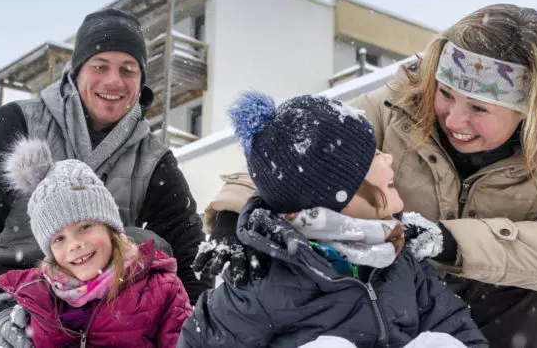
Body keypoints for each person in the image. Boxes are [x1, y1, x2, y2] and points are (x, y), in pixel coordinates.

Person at [193, 4, 537, 348]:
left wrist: (450, 241)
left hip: (490, 302)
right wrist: (234, 222)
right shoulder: (396, 107)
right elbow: (296, 155)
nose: (456, 119)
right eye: (447, 93)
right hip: (381, 295)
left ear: (532, 109)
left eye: (479, 108)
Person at [0, 9, 209, 348]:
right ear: (76, 73)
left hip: (98, 293)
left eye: (127, 70)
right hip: (9, 277)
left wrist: (201, 326)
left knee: (148, 242)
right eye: (100, 66)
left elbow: (189, 252)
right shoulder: (16, 123)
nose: (113, 81)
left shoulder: (153, 160)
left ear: (141, 80)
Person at [178, 92, 487, 347]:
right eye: (372, 157)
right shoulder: (265, 280)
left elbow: (457, 328)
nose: (387, 157)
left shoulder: (399, 256)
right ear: (337, 195)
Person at [0, 138, 192, 347]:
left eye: (84, 227)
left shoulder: (161, 289)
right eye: (59, 238)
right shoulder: (38, 295)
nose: (74, 244)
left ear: (109, 228)